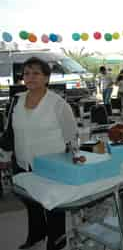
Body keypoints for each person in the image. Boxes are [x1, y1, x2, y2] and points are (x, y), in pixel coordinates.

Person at [0, 57, 77, 250]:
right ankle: (36, 236)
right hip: (23, 163)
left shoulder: (58, 104)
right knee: (31, 203)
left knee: (53, 206)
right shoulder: (16, 101)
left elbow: (70, 135)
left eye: (36, 73)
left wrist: (72, 160)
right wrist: (5, 155)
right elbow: (10, 132)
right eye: (26, 73)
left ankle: (56, 242)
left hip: (52, 164)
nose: (30, 77)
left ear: (46, 78)